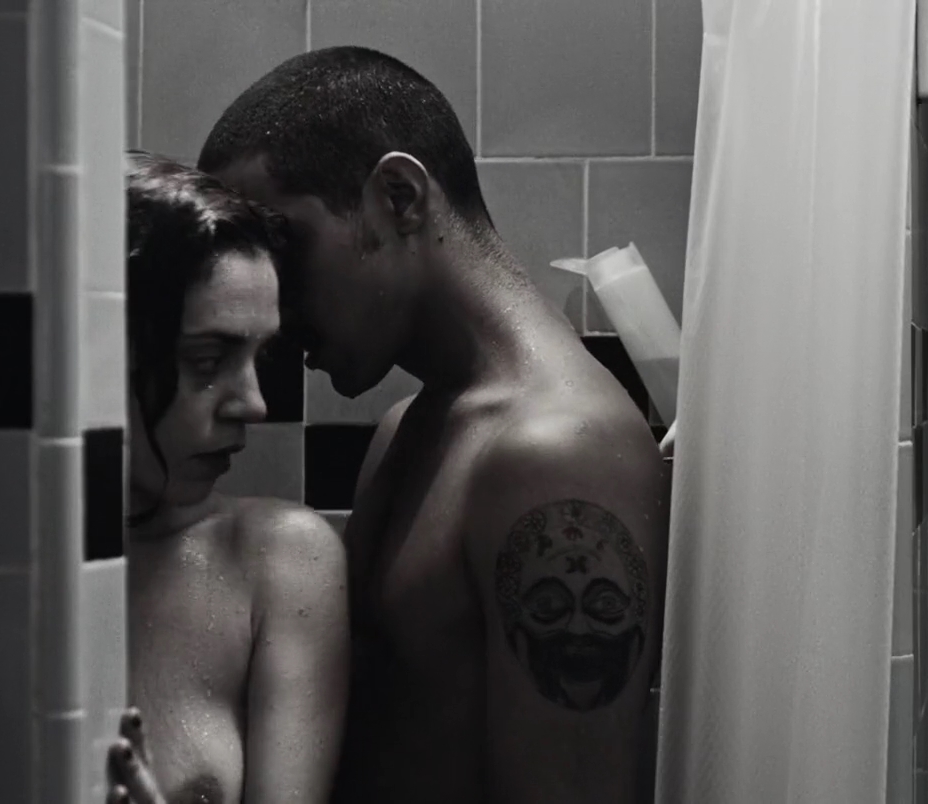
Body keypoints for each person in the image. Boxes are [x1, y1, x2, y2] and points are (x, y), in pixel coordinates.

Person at [197, 47, 670, 804]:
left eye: (287, 245)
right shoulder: (410, 429)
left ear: (399, 197)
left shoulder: (560, 452)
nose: (273, 304)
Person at [103, 152, 349, 804]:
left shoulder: (276, 562)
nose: (254, 404)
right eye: (208, 360)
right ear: (97, 351)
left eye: (259, 357)